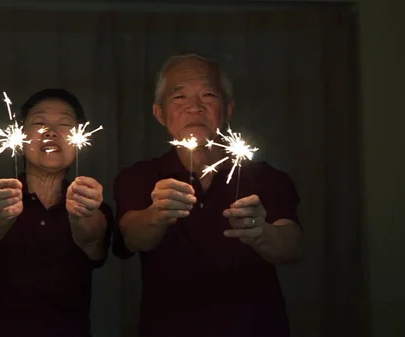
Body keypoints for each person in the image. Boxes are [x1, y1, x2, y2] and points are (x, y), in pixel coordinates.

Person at [113, 53, 303, 337]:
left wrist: (261, 232)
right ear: (159, 113)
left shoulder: (265, 176)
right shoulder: (140, 176)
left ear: (228, 109)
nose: (195, 108)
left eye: (208, 94)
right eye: (179, 98)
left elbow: (293, 246)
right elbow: (132, 236)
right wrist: (157, 215)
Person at [0, 88, 114, 337]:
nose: (51, 132)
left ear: (80, 137)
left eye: (64, 124)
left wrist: (83, 214)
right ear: (19, 133)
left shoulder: (94, 206)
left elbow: (93, 241)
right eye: (39, 122)